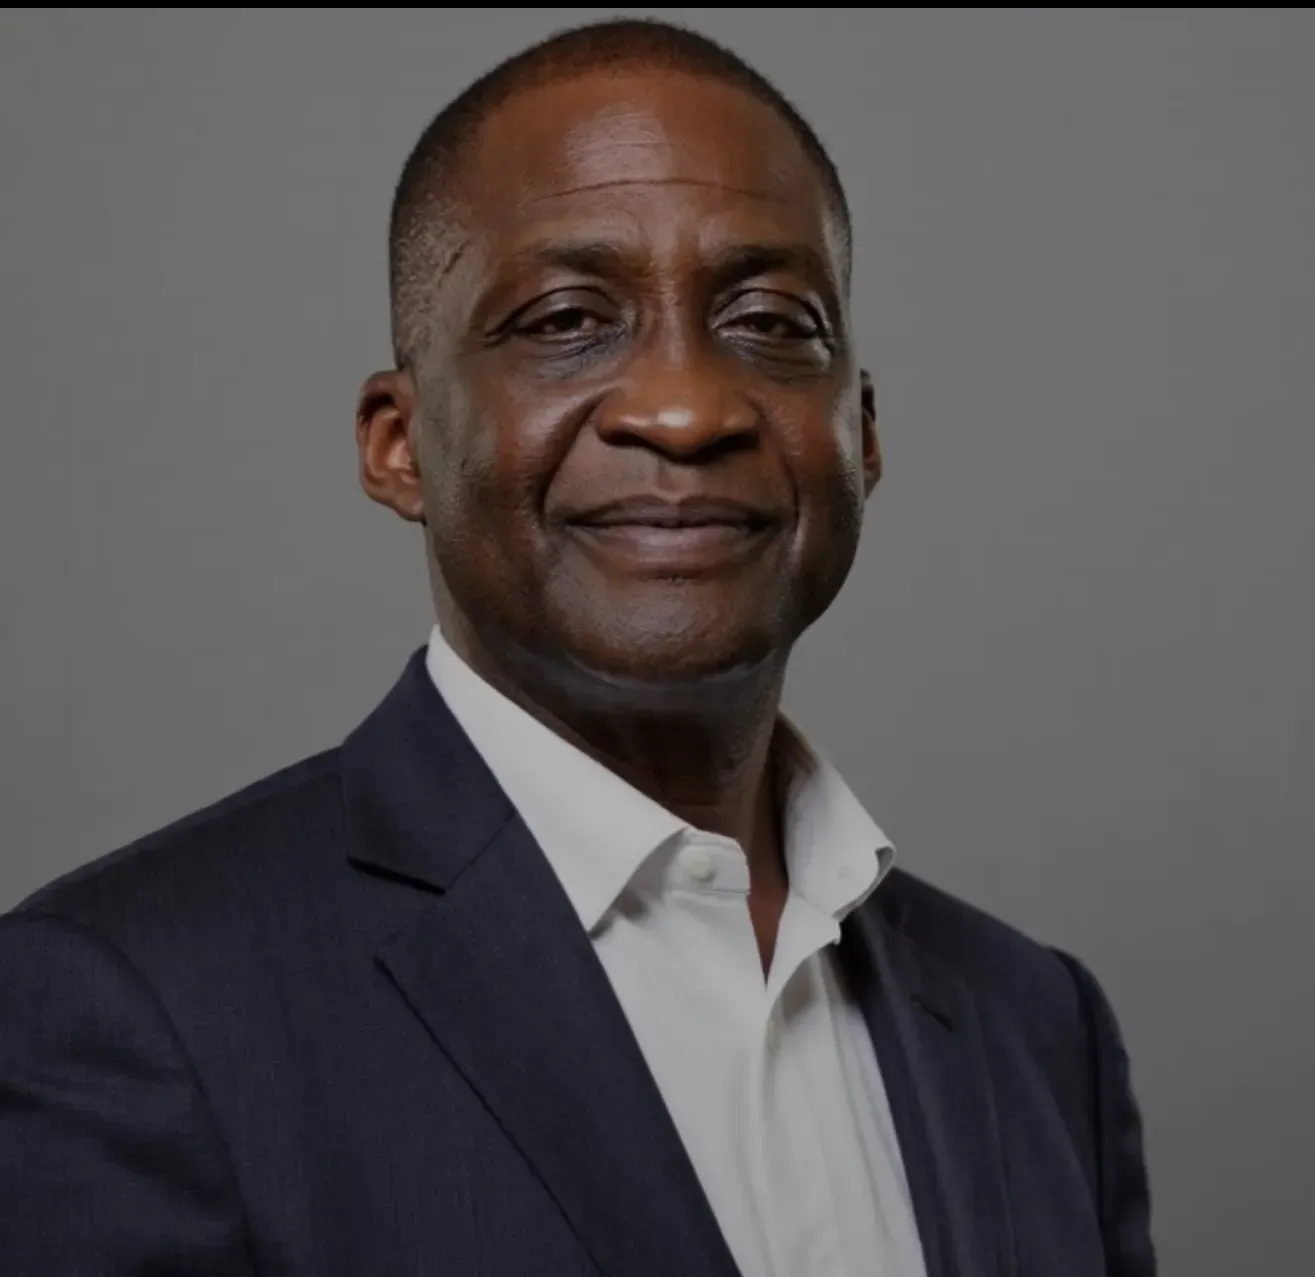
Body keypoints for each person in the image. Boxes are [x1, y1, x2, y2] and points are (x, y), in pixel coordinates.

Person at [0, 18, 1155, 1277]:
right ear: (400, 444)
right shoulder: (129, 1006)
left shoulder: (1037, 1027)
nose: (687, 406)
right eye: (565, 319)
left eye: (772, 322)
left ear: (861, 434)